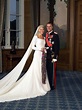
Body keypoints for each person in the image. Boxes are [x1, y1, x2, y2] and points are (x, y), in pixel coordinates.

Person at [0, 25, 50, 102]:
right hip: (37, 55)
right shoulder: (36, 37)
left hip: (42, 55)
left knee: (42, 69)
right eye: (41, 29)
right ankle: (37, 86)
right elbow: (33, 47)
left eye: (43, 29)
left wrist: (45, 50)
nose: (42, 30)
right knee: (36, 69)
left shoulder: (43, 37)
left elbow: (44, 46)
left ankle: (43, 85)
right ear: (38, 30)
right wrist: (40, 49)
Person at [45, 22, 60, 90]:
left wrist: (55, 56)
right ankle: (47, 84)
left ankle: (51, 85)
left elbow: (57, 47)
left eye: (50, 26)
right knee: (47, 70)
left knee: (52, 71)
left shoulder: (55, 35)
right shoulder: (46, 35)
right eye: (47, 26)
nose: (48, 28)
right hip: (46, 55)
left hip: (52, 55)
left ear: (52, 27)